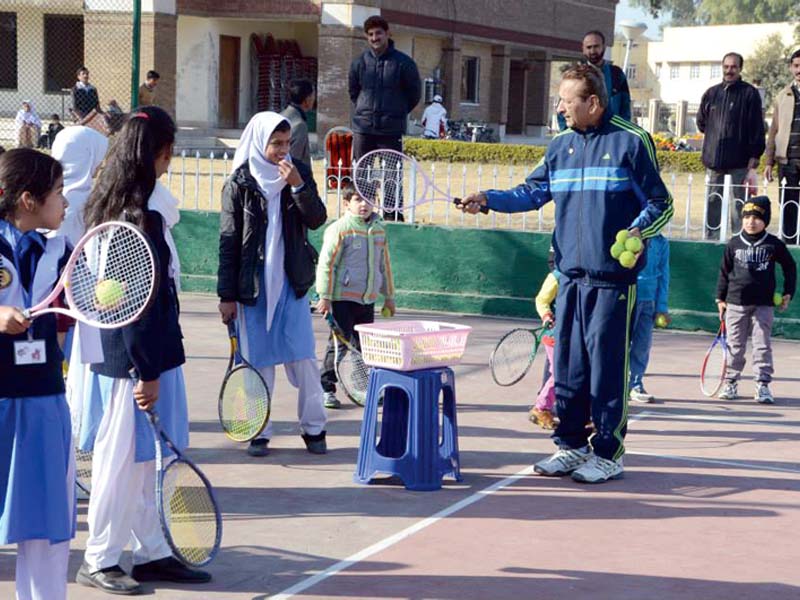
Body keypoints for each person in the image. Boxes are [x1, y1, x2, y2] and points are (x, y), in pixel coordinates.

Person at [458, 63, 673, 483]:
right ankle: (571, 447)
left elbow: (661, 204)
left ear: (592, 102)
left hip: (613, 282)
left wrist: (637, 229)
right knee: (569, 371)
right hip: (569, 279)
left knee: (608, 371)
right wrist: (487, 199)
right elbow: (532, 192)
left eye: (566, 100)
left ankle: (608, 454)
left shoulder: (631, 142)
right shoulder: (560, 147)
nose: (559, 107)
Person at [75, 107, 211, 595]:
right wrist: (146, 372)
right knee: (118, 463)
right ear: (161, 151)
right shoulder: (137, 218)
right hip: (130, 364)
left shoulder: (131, 206)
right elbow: (137, 306)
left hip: (144, 358)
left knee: (141, 464)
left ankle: (151, 552)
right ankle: (99, 558)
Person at [217, 112, 328, 457]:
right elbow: (229, 242)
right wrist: (227, 296)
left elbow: (317, 218)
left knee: (304, 359)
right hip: (252, 289)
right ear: (258, 142)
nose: (282, 150)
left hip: (292, 285)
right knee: (257, 362)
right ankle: (259, 430)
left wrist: (297, 185)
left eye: (287, 143)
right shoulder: (238, 183)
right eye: (275, 144)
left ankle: (315, 429)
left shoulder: (299, 173)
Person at [0, 148, 73, 600]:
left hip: (45, 397)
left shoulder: (62, 249)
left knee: (46, 525)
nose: (65, 203)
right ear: (29, 199)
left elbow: (70, 313)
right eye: (59, 193)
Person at [315, 183, 395, 409]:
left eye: (369, 200)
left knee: (363, 347)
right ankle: (326, 388)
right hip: (341, 299)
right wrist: (325, 296)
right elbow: (326, 264)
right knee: (338, 345)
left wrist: (388, 296)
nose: (364, 205)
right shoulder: (339, 229)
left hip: (367, 300)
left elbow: (384, 265)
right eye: (358, 200)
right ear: (346, 203)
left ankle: (362, 388)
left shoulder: (379, 230)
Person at [715, 196, 796, 404]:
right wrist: (720, 299)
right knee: (735, 344)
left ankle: (762, 385)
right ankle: (731, 382)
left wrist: (788, 292)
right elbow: (724, 272)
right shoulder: (733, 243)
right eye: (747, 217)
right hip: (735, 303)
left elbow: (790, 267)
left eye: (757, 217)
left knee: (762, 345)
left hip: (764, 304)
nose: (751, 221)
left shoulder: (773, 244)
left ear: (766, 220)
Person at [348, 15, 421, 221]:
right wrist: (365, 111)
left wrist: (396, 111)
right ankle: (360, 214)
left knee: (391, 176)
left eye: (378, 33)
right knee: (362, 174)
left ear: (387, 34)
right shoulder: (359, 63)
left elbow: (414, 94)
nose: (374, 38)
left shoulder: (403, 63)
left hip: (390, 130)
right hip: (364, 129)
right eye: (370, 34)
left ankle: (392, 217)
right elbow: (353, 91)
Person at [697, 53, 765, 240]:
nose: (729, 70)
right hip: (714, 160)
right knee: (713, 201)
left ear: (740, 69)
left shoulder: (749, 93)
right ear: (722, 67)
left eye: (733, 67)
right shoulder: (712, 93)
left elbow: (757, 127)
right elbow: (702, 123)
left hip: (740, 161)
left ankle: (740, 239)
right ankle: (711, 238)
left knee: (739, 204)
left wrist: (755, 155)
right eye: (726, 67)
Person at [557, 30, 631, 130]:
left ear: (604, 47)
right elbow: (564, 105)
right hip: (581, 134)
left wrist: (621, 133)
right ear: (583, 49)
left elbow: (625, 107)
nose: (592, 51)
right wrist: (566, 133)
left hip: (611, 133)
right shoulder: (574, 76)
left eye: (596, 46)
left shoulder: (616, 74)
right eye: (589, 47)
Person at [628, 233, 670, 403]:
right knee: (620, 344)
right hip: (627, 297)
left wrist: (662, 307)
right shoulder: (628, 237)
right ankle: (617, 384)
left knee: (642, 345)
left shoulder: (662, 243)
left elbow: (664, 274)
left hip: (649, 301)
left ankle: (635, 384)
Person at [764, 49, 800, 244]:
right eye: (796, 66)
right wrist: (769, 162)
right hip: (787, 160)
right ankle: (789, 243)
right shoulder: (782, 96)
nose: (799, 70)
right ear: (791, 68)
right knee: (788, 205)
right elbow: (774, 131)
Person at [51, 125, 109, 246]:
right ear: (87, 156)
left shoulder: (47, 192)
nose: (101, 163)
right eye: (98, 156)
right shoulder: (81, 200)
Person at [530, 260, 559, 430]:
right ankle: (540, 408)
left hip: (576, 335)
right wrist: (547, 316)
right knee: (559, 374)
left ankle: (583, 415)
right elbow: (541, 300)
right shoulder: (557, 276)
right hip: (554, 335)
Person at [280, 78, 315, 167]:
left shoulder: (280, 116)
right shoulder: (299, 125)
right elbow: (293, 161)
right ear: (307, 99)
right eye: (312, 95)